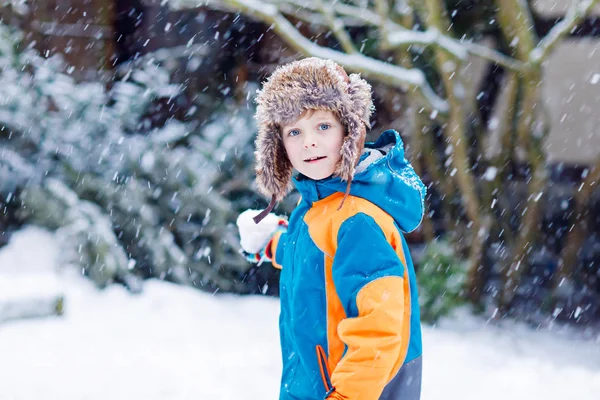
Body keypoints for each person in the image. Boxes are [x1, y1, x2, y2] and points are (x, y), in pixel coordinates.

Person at [236, 57, 426, 400]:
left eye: (322, 126)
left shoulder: (355, 218)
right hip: (313, 385)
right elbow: (319, 261)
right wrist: (272, 242)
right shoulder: (321, 205)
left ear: (350, 130)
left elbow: (378, 329)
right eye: (295, 131)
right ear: (278, 146)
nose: (309, 142)